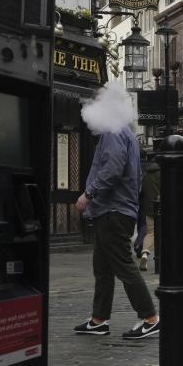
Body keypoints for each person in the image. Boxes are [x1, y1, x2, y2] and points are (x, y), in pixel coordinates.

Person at [73, 83, 160, 339]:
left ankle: (150, 317)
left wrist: (88, 194)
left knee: (123, 266)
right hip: (112, 211)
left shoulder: (112, 133)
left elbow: (111, 169)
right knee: (102, 268)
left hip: (112, 210)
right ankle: (99, 319)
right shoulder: (126, 133)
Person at [138, 153, 160, 271]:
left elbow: (142, 193)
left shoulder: (146, 175)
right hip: (161, 208)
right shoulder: (162, 173)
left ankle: (145, 253)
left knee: (150, 233)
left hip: (149, 209)